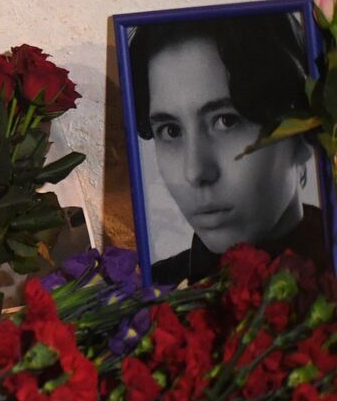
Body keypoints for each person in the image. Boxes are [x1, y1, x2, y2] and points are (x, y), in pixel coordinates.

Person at [129, 14, 329, 284]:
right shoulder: (152, 294)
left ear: (304, 133)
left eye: (227, 121)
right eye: (171, 130)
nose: (195, 172)